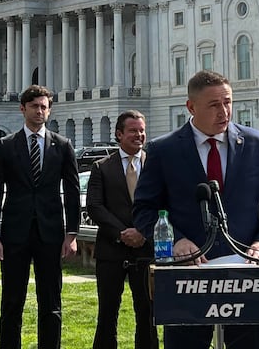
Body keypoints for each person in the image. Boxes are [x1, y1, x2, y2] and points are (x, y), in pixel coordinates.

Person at [133, 70, 259, 349]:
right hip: (187, 278)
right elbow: (144, 210)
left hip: (247, 274)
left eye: (228, 102)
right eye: (214, 105)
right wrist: (176, 241)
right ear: (191, 107)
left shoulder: (256, 144)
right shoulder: (163, 150)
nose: (224, 111)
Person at [0, 84, 81, 349]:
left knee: (51, 303)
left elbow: (72, 192)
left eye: (44, 107)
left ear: (49, 111)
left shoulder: (63, 146)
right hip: (14, 234)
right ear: (22, 109)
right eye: (34, 106)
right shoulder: (5, 146)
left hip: (50, 234)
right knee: (11, 302)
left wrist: (72, 234)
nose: (39, 111)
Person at [86, 110, 158, 349]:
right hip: (111, 252)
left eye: (142, 131)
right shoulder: (102, 167)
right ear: (119, 134)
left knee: (147, 313)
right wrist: (122, 233)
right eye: (133, 131)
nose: (139, 135)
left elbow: (164, 202)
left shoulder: (155, 166)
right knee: (107, 313)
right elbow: (95, 206)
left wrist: (142, 232)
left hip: (147, 251)